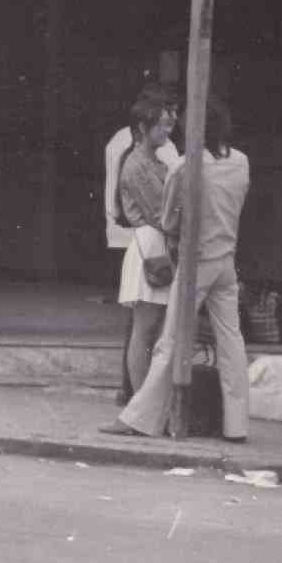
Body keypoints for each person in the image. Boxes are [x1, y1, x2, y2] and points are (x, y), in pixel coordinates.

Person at [101, 95, 251, 442]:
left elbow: (168, 220)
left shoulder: (186, 167)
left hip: (196, 262)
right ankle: (237, 424)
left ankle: (139, 419)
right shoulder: (241, 162)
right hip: (226, 259)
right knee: (232, 342)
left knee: (169, 342)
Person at [106, 83, 180, 401]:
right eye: (161, 125)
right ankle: (140, 403)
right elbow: (160, 214)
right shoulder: (136, 166)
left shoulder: (158, 163)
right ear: (142, 127)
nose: (167, 130)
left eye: (169, 124)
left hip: (158, 244)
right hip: (151, 245)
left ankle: (145, 401)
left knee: (152, 330)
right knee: (144, 330)